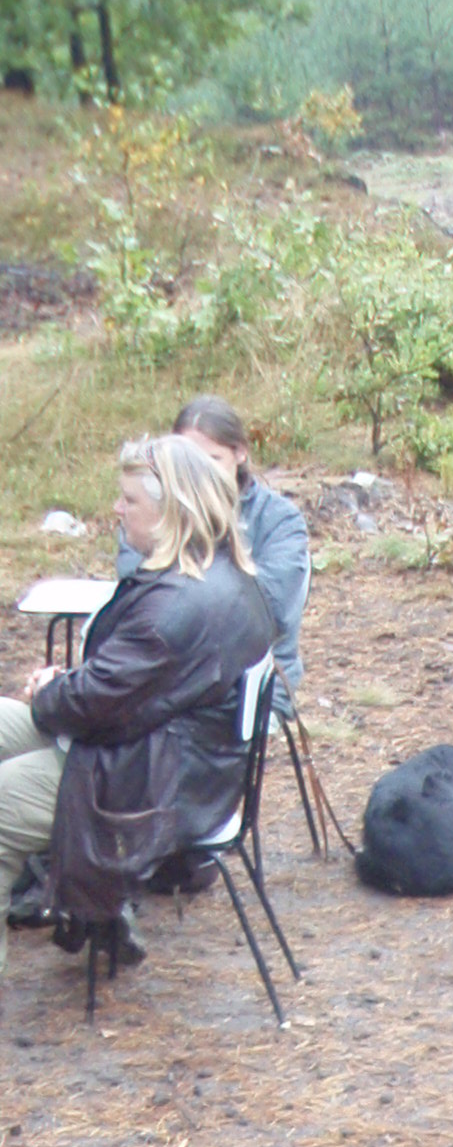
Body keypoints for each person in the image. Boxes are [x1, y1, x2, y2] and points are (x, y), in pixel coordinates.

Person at [1, 434, 273, 971]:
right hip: (160, 754)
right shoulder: (217, 573)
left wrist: (54, 690)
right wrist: (70, 687)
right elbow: (124, 691)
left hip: (147, 781)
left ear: (173, 510)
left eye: (130, 500)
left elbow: (93, 705)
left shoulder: (178, 606)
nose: (117, 508)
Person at [115, 397, 309, 712]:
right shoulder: (150, 512)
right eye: (190, 461)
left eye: (212, 459)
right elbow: (134, 589)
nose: (201, 473)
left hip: (248, 689)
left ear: (241, 453)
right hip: (166, 679)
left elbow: (270, 609)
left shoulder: (279, 519)